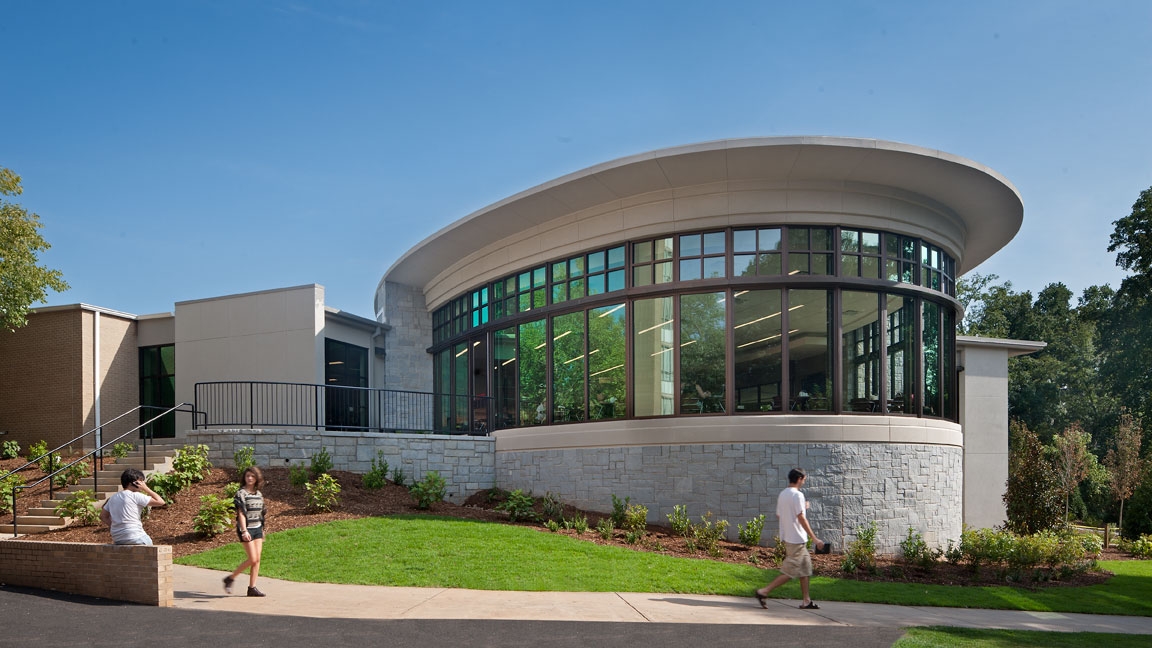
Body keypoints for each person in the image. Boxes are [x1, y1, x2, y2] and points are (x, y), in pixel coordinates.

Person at [755, 467, 824, 610]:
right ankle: (764, 591)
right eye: (804, 479)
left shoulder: (783, 494)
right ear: (799, 479)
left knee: (804, 569)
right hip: (796, 539)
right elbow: (800, 517)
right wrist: (815, 539)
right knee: (790, 571)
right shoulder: (798, 495)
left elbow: (781, 514)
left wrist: (802, 508)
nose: (804, 482)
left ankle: (806, 601)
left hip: (789, 538)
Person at [224, 466, 268, 597]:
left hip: (258, 528)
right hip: (246, 529)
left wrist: (262, 530)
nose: (250, 478)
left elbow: (261, 514)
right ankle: (230, 578)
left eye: (252, 476)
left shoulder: (258, 494)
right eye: (247, 476)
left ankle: (252, 588)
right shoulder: (241, 493)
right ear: (244, 478)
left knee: (257, 559)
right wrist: (244, 531)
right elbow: (241, 514)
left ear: (256, 478)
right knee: (253, 559)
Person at [99, 468, 165, 545]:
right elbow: (161, 502)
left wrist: (115, 526)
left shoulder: (113, 498)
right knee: (151, 548)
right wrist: (146, 488)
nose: (143, 484)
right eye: (141, 481)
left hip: (118, 538)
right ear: (133, 483)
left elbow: (103, 516)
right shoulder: (135, 495)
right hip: (135, 536)